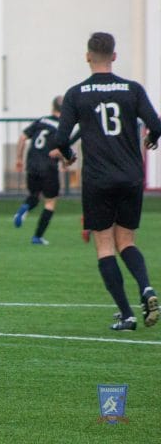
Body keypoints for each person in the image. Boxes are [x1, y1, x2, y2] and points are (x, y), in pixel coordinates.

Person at [52, 31, 161, 331]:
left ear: (88, 56)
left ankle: (126, 314)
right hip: (130, 176)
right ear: (114, 56)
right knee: (126, 240)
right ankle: (147, 289)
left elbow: (61, 138)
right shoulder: (132, 89)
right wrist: (152, 138)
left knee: (104, 245)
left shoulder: (76, 93)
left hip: (98, 179)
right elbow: (156, 124)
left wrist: (68, 155)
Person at [12, 96, 79, 245]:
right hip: (49, 166)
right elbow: (60, 148)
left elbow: (23, 138)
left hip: (32, 164)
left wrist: (18, 159)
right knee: (50, 203)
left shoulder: (41, 121)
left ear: (52, 108)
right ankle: (37, 237)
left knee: (34, 196)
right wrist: (65, 162)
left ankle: (24, 209)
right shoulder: (63, 127)